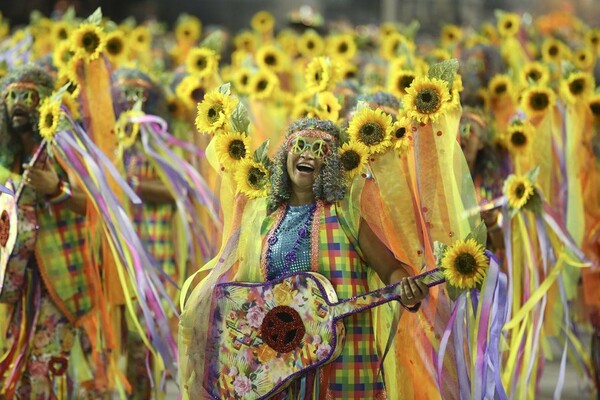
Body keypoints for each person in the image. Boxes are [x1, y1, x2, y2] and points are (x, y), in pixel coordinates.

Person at [179, 117, 429, 399]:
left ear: (331, 163)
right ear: (286, 154)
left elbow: (391, 270)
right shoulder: (262, 217)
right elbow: (247, 292)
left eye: (320, 149)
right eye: (300, 145)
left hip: (341, 366)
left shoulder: (346, 213)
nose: (308, 153)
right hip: (276, 368)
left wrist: (408, 290)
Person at [0, 65, 105, 398]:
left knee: (48, 370)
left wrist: (55, 189)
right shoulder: (9, 155)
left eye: (27, 96)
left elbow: (94, 204)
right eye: (11, 96)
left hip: (60, 280)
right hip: (18, 283)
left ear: (44, 102)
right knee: (21, 375)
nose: (17, 103)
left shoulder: (63, 145)